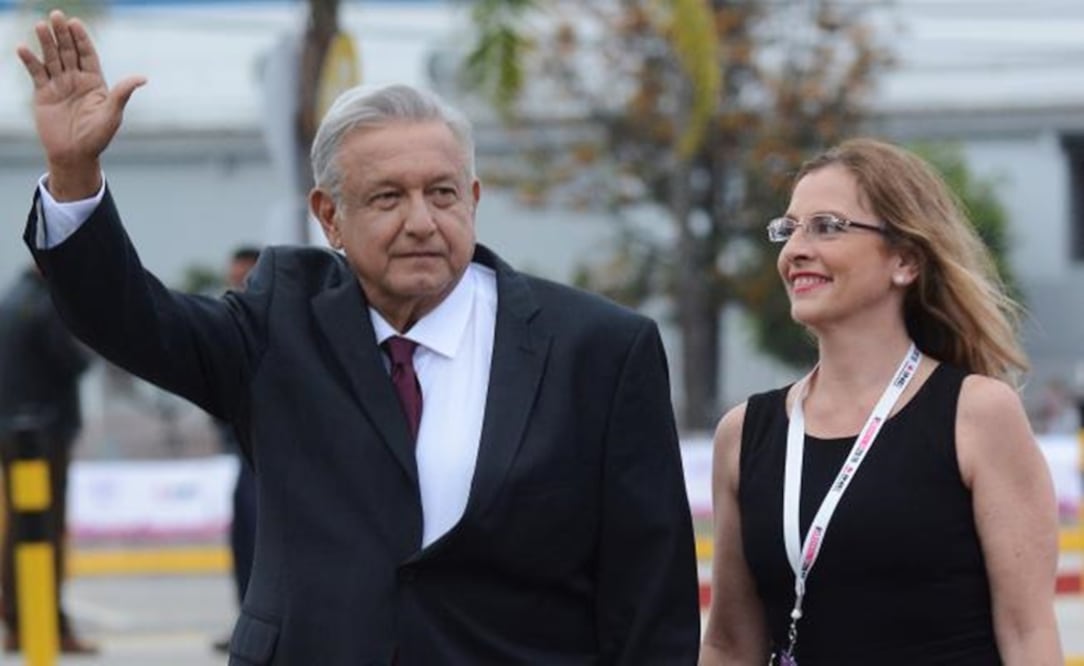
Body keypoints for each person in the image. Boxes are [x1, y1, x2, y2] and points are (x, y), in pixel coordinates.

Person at [16, 11, 700, 665]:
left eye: (441, 193)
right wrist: (75, 175)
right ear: (329, 217)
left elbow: (651, 600)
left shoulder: (598, 350)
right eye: (386, 198)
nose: (421, 222)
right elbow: (130, 320)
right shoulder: (281, 321)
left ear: (475, 198)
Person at [699, 138, 1063, 665]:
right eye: (789, 228)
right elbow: (730, 642)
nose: (795, 248)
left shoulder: (977, 414)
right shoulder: (744, 433)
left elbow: (1028, 635)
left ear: (906, 261)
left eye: (826, 225)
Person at [0, 265, 97, 655]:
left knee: (20, 530)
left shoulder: (10, 302)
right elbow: (76, 362)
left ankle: (17, 621)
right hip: (45, 434)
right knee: (45, 530)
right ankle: (48, 622)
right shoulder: (45, 306)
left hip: (12, 431)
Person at [212, 246, 261, 655]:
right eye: (234, 278)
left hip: (275, 458)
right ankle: (248, 619)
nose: (238, 285)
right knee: (244, 539)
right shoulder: (228, 324)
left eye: (246, 278)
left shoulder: (281, 326)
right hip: (243, 453)